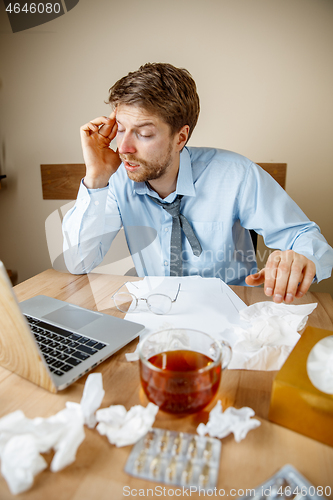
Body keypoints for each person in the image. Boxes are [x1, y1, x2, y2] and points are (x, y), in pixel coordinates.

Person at [62, 62, 333, 304]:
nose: (124, 147)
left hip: (233, 315)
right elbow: (79, 262)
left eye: (143, 133)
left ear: (180, 138)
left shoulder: (237, 175)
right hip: (155, 315)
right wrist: (96, 179)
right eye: (120, 129)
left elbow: (309, 240)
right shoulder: (117, 180)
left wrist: (301, 259)